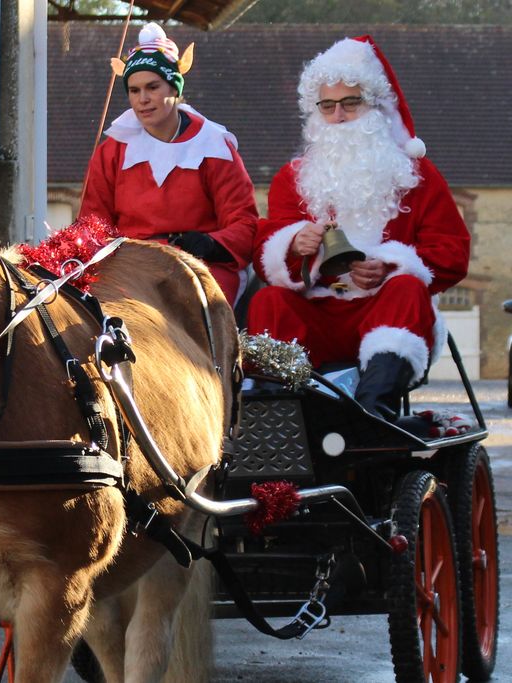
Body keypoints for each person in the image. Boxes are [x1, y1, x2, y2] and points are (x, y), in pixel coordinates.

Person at [247, 36, 470, 420]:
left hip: (386, 312)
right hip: (318, 313)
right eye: (328, 105)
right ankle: (280, 416)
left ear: (376, 106)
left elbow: (453, 252)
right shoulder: (293, 178)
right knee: (268, 302)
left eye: (351, 103)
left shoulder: (416, 175)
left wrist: (390, 265)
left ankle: (373, 414)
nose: (338, 116)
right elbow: (266, 251)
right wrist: (294, 245)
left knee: (407, 287)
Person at [79, 23, 258, 306]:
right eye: (134, 90)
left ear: (174, 87)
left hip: (201, 267)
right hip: (130, 269)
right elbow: (92, 223)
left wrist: (211, 244)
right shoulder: (111, 151)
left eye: (152, 87)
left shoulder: (213, 146)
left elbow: (244, 224)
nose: (143, 99)